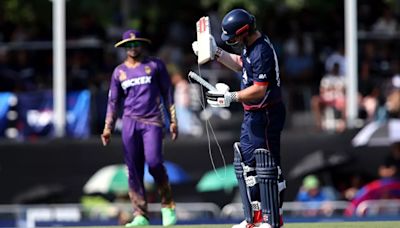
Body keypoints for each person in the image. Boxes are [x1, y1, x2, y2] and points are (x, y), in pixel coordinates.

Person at [192, 9, 286, 228]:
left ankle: (272, 219)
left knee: (266, 165)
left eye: (233, 37)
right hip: (252, 113)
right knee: (247, 166)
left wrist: (230, 97)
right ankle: (253, 218)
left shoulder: (261, 50)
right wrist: (216, 53)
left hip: (266, 113)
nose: (231, 41)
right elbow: (241, 64)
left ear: (244, 31)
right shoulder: (250, 47)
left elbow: (260, 90)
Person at [101, 29, 178, 227]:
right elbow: (113, 102)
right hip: (129, 122)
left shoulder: (155, 65)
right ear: (124, 48)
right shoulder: (119, 72)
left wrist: (174, 121)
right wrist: (107, 127)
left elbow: (168, 93)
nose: (133, 48)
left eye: (136, 44)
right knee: (133, 170)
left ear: (141, 45)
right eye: (129, 45)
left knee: (153, 163)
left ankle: (167, 205)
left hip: (152, 121)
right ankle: (140, 215)